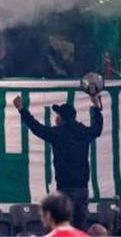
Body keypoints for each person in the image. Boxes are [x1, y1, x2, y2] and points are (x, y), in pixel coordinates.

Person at [13, 92, 103, 231]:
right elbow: (97, 128)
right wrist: (97, 108)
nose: (57, 117)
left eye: (59, 115)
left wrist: (22, 110)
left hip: (65, 188)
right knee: (80, 228)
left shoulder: (58, 133)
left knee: (63, 227)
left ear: (62, 118)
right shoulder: (83, 132)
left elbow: (37, 128)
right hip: (83, 188)